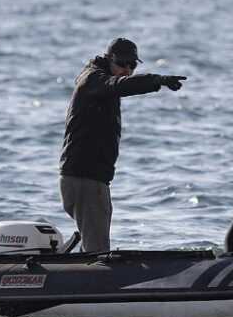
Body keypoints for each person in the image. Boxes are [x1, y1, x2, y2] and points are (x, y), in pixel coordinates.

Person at [59, 37, 187, 252]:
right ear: (109, 59)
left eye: (132, 65)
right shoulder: (93, 80)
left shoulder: (102, 85)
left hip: (93, 180)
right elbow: (119, 85)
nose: (127, 70)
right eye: (122, 64)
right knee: (98, 253)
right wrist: (157, 80)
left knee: (92, 247)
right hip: (84, 180)